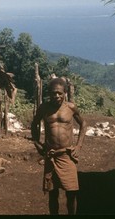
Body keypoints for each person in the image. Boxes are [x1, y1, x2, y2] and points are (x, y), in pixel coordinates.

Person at [31, 77, 86, 215]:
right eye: (53, 93)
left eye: (60, 93)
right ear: (49, 93)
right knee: (52, 192)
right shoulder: (44, 108)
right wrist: (36, 142)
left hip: (67, 155)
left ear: (65, 93)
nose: (57, 95)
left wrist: (78, 146)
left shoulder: (71, 108)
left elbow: (83, 124)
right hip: (51, 155)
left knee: (72, 192)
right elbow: (34, 123)